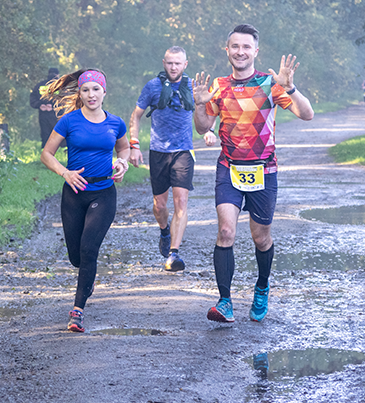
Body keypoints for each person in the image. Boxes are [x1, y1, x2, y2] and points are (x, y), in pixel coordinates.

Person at [192, 24, 314, 323]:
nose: (240, 52)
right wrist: (199, 104)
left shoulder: (269, 84)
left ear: (255, 51)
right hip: (229, 168)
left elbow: (307, 114)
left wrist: (289, 88)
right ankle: (225, 302)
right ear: (227, 50)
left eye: (246, 47)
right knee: (226, 232)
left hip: (264, 170)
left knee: (261, 238)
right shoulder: (218, 87)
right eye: (235, 46)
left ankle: (261, 287)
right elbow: (203, 128)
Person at [41, 69, 130, 333]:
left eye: (96, 89)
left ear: (104, 92)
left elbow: (123, 147)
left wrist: (122, 162)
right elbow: (47, 154)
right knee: (77, 257)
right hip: (74, 193)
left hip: (104, 190)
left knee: (89, 249)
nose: (91, 94)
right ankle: (86, 274)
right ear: (79, 93)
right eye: (85, 90)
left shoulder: (115, 123)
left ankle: (77, 311)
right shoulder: (69, 121)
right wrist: (65, 173)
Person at [129, 46, 196, 272]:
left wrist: (209, 131)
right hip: (158, 152)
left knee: (181, 202)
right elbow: (136, 115)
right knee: (159, 205)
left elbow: (209, 112)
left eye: (178, 63)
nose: (173, 67)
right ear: (163, 63)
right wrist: (134, 144)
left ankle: (173, 254)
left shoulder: (193, 87)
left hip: (184, 152)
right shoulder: (152, 87)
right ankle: (164, 230)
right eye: (169, 63)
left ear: (185, 65)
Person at [30, 67, 61, 148]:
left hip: (43, 114)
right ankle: (60, 151)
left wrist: (40, 105)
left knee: (45, 134)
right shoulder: (60, 86)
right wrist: (53, 106)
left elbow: (32, 99)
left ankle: (45, 152)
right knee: (59, 134)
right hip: (57, 114)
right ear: (57, 75)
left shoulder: (40, 85)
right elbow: (65, 100)